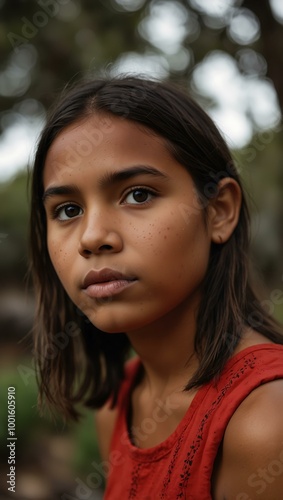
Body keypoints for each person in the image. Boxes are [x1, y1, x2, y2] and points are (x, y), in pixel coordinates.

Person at [29, 76, 283, 499]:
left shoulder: (263, 422)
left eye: (139, 195)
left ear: (219, 211)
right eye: (68, 209)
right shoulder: (121, 403)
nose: (92, 237)